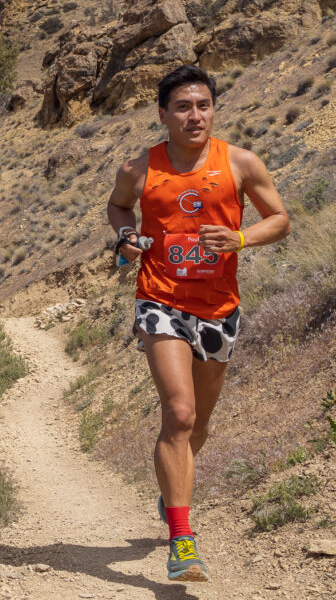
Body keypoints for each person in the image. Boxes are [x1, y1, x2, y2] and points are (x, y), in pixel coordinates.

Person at [106, 65, 290, 582]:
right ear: (162, 113)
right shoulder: (139, 167)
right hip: (160, 300)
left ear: (213, 109)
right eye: (183, 107)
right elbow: (119, 208)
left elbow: (280, 220)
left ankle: (173, 495)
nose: (195, 115)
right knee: (180, 413)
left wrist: (242, 239)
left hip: (218, 308)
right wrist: (126, 237)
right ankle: (182, 542)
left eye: (203, 105)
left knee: (200, 424)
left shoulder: (240, 162)